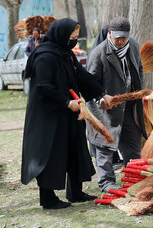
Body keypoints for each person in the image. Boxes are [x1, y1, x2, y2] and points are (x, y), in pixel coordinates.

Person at [21, 18, 113, 209]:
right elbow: (43, 87)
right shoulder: (44, 56)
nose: (74, 41)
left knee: (75, 148)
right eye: (72, 38)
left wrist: (101, 94)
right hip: (49, 116)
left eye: (76, 38)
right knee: (51, 154)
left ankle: (76, 192)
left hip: (70, 112)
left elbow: (82, 76)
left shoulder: (66, 53)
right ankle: (47, 198)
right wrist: (66, 102)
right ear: (61, 35)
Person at [86, 16, 148, 192]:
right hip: (105, 110)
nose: (121, 41)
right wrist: (101, 99)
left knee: (133, 145)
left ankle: (133, 176)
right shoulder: (99, 53)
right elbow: (90, 84)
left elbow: (139, 69)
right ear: (109, 33)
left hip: (129, 106)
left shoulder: (133, 45)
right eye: (117, 37)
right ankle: (106, 182)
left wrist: (139, 92)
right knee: (105, 147)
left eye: (124, 37)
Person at [87, 24, 123, 165]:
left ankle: (113, 158)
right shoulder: (97, 53)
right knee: (101, 131)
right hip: (98, 100)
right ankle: (103, 161)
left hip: (108, 99)